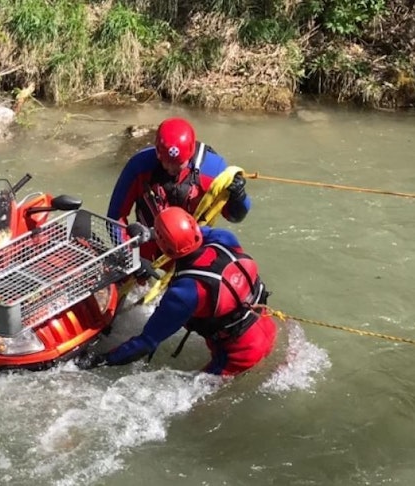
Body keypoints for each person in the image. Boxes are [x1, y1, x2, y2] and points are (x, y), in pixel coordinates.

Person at [83, 207, 276, 376]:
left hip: (239, 355)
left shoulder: (184, 293)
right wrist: (151, 234)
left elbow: (145, 343)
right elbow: (194, 234)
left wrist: (96, 361)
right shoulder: (224, 239)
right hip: (267, 324)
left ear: (164, 248)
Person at [107, 117, 251, 260]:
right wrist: (129, 256)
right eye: (166, 162)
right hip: (150, 251)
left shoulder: (213, 169)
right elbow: (115, 218)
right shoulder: (139, 166)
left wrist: (239, 197)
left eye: (178, 163)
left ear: (190, 154)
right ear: (158, 154)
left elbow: (234, 217)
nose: (171, 168)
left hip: (193, 251)